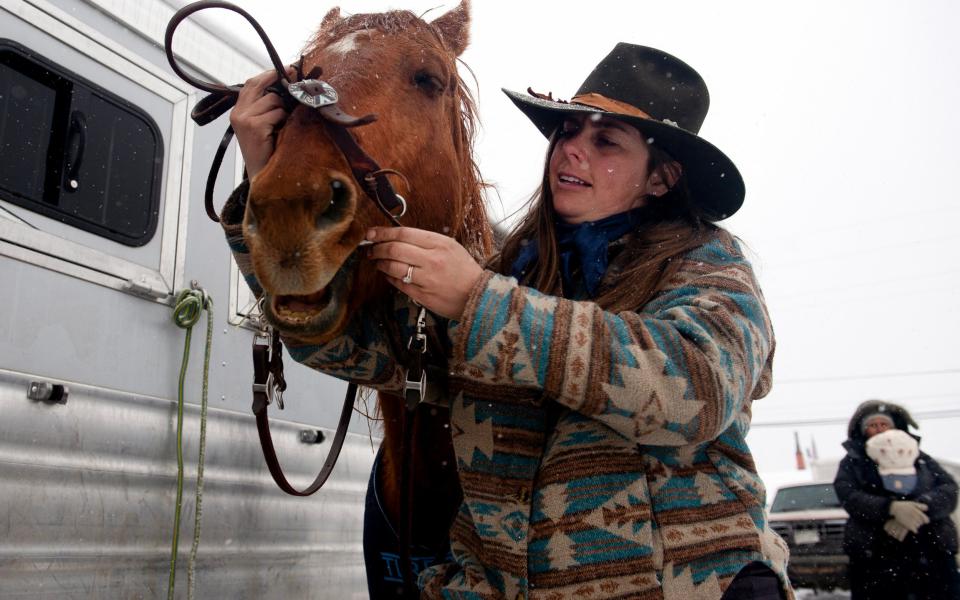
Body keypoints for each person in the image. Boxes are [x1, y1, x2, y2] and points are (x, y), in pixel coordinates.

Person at [226, 43, 792, 599]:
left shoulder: (706, 265)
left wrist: (478, 299)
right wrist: (267, 178)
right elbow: (348, 346)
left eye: (606, 141)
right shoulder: (514, 275)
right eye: (568, 132)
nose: (572, 151)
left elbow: (690, 389)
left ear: (662, 179)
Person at [834, 400, 960, 600]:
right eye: (873, 425)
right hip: (876, 556)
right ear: (863, 430)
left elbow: (948, 489)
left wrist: (920, 510)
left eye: (884, 424)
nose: (879, 429)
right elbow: (848, 495)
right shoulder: (853, 462)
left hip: (931, 553)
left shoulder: (921, 458)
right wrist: (890, 508)